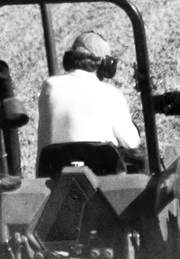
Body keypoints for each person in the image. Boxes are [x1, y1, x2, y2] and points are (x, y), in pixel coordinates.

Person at [37, 32, 141, 164]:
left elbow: (43, 140)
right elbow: (131, 142)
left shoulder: (50, 87)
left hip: (58, 175)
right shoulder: (110, 94)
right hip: (104, 177)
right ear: (105, 64)